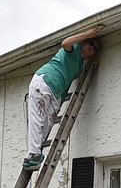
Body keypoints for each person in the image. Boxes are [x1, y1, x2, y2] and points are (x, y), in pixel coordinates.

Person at [23, 26, 104, 168]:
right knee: (38, 118)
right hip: (44, 81)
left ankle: (33, 155)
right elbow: (65, 43)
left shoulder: (79, 65)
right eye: (90, 44)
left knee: (48, 124)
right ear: (84, 43)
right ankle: (34, 154)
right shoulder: (74, 49)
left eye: (94, 49)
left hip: (56, 92)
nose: (91, 48)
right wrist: (86, 34)